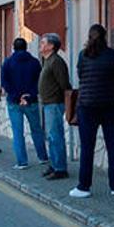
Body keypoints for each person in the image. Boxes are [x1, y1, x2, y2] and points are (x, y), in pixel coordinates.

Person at [70, 24, 114, 198]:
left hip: (87, 106)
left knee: (87, 148)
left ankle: (83, 187)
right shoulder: (113, 55)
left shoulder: (83, 55)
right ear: (105, 36)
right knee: (113, 147)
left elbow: (80, 76)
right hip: (111, 105)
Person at [0, 38, 49, 170]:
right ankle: (43, 157)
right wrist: (29, 96)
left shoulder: (8, 62)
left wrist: (17, 96)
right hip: (31, 100)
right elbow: (39, 81)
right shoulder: (35, 62)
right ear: (26, 47)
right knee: (37, 130)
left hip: (14, 102)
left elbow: (5, 83)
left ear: (13, 47)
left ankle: (22, 162)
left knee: (18, 132)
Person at [38, 33, 71, 180]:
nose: (41, 45)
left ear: (51, 46)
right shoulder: (47, 61)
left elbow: (64, 84)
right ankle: (54, 164)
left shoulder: (56, 62)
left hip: (55, 103)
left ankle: (60, 168)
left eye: (43, 43)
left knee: (55, 136)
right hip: (47, 103)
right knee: (50, 137)